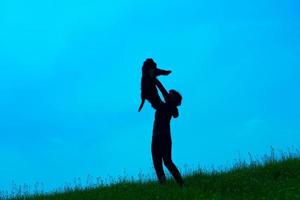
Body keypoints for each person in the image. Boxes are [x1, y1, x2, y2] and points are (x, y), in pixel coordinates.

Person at [151, 78, 184, 186]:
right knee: (157, 163)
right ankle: (164, 185)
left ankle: (182, 184)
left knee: (167, 161)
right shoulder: (163, 105)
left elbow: (162, 91)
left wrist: (155, 80)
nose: (168, 95)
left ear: (173, 99)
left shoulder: (171, 107)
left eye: (170, 95)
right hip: (155, 136)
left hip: (163, 136)